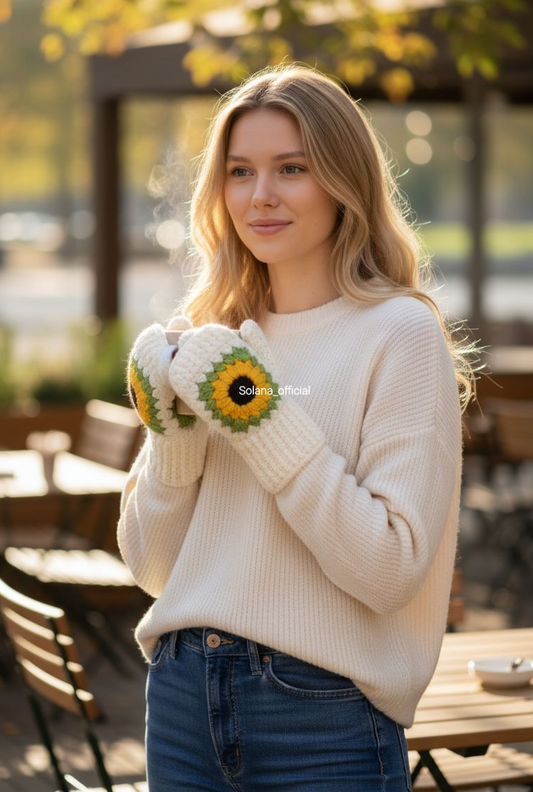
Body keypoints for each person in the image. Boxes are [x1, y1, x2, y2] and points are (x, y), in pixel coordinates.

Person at [119, 64, 475, 791]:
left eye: (292, 169)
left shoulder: (397, 334)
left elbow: (388, 570)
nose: (261, 196)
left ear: (343, 180)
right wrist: (174, 438)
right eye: (240, 171)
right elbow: (151, 568)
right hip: (183, 695)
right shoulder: (213, 336)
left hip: (321, 715)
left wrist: (259, 417)